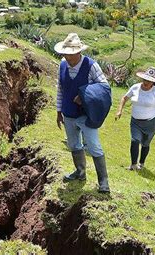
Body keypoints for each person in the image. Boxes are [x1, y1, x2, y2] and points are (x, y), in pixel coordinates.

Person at [54, 33, 111, 193]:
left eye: (70, 54)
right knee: (73, 144)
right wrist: (59, 111)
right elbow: (61, 89)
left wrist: (85, 94)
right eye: (65, 54)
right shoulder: (63, 65)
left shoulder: (91, 65)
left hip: (86, 115)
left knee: (94, 146)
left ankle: (103, 182)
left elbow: (104, 87)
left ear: (79, 52)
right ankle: (80, 172)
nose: (67, 57)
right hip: (69, 113)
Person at [115, 67, 155, 170]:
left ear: (153, 83)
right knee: (135, 140)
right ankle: (133, 165)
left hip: (151, 122)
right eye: (145, 79)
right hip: (135, 121)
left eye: (149, 81)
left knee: (145, 143)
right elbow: (124, 98)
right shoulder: (135, 87)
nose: (146, 82)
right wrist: (119, 110)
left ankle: (142, 163)